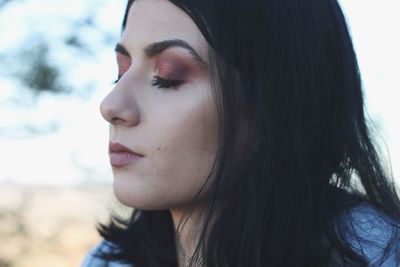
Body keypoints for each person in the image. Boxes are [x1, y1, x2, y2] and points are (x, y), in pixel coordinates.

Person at [81, 0, 400, 266]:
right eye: (121, 72)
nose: (111, 105)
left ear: (276, 106)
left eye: (168, 77)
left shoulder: (379, 254)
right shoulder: (108, 261)